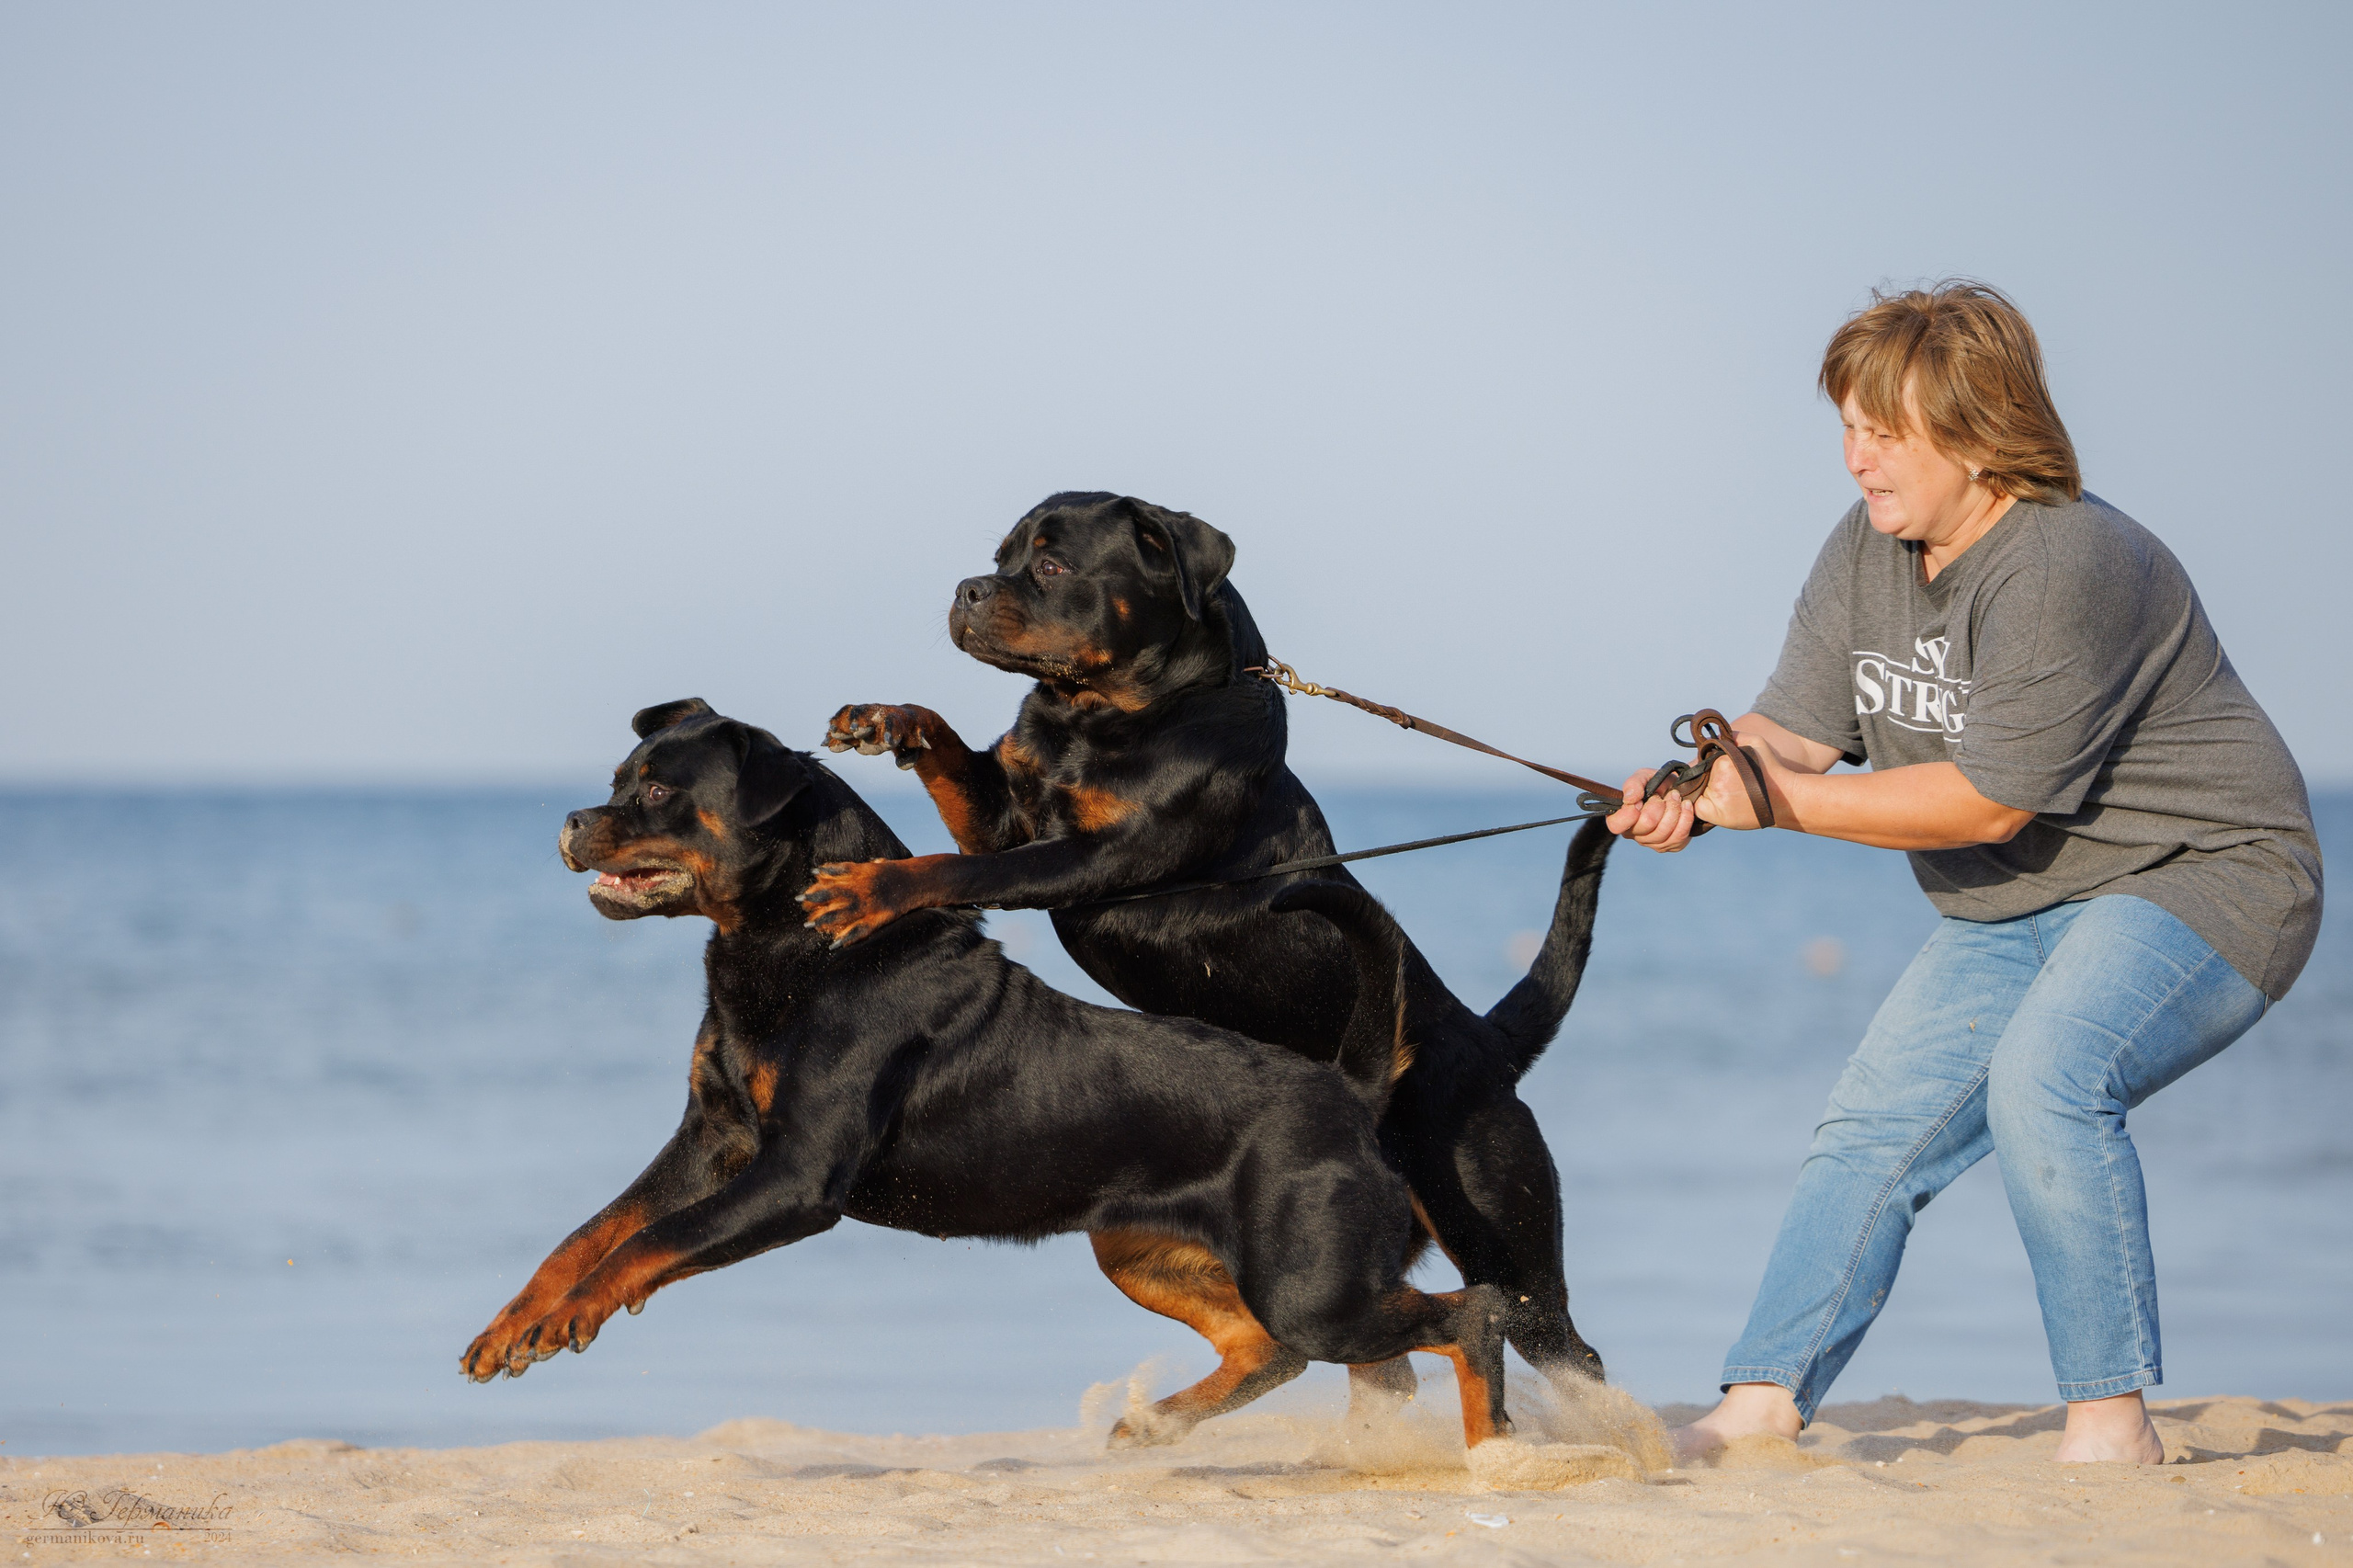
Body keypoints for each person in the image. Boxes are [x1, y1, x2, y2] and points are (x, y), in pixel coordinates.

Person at [1608, 280, 2323, 1464]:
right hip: (2019, 898)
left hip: (2207, 873)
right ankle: (1760, 1403)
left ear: (1981, 433)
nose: (1856, 460)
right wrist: (1709, 784)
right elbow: (1790, 728)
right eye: (1847, 427)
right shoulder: (1866, 549)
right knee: (1871, 1124)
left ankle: (2109, 1428)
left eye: (1884, 433)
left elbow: (1985, 800)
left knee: (2048, 1079)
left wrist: (1777, 805)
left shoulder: (2069, 561)